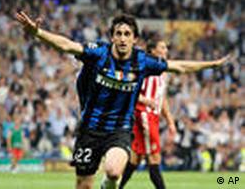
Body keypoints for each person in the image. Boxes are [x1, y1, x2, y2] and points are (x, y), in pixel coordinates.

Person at [14, 11, 230, 189]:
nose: (123, 38)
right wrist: (38, 32)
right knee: (83, 186)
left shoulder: (143, 61)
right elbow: (67, 46)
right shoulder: (99, 53)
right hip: (90, 129)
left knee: (114, 171)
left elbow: (179, 67)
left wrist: (210, 65)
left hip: (120, 129)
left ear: (134, 38)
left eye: (127, 34)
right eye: (118, 33)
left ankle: (107, 184)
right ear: (112, 37)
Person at [119, 38, 176, 189]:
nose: (166, 51)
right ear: (153, 51)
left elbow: (161, 98)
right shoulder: (145, 69)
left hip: (152, 116)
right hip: (144, 114)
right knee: (154, 157)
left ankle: (114, 186)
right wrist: (146, 101)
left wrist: (170, 121)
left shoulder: (163, 72)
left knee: (136, 158)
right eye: (162, 47)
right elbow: (130, 89)